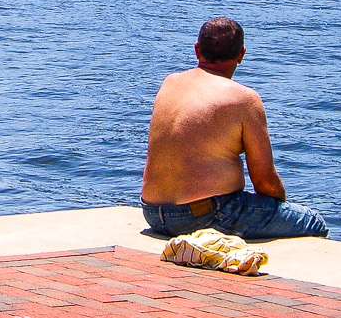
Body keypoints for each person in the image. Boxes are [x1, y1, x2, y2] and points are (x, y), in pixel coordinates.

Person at [141, 17, 328, 241]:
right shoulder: (244, 100)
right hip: (203, 216)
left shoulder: (170, 82)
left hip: (152, 212)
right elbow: (264, 181)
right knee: (312, 221)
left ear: (197, 49)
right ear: (241, 54)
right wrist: (277, 207)